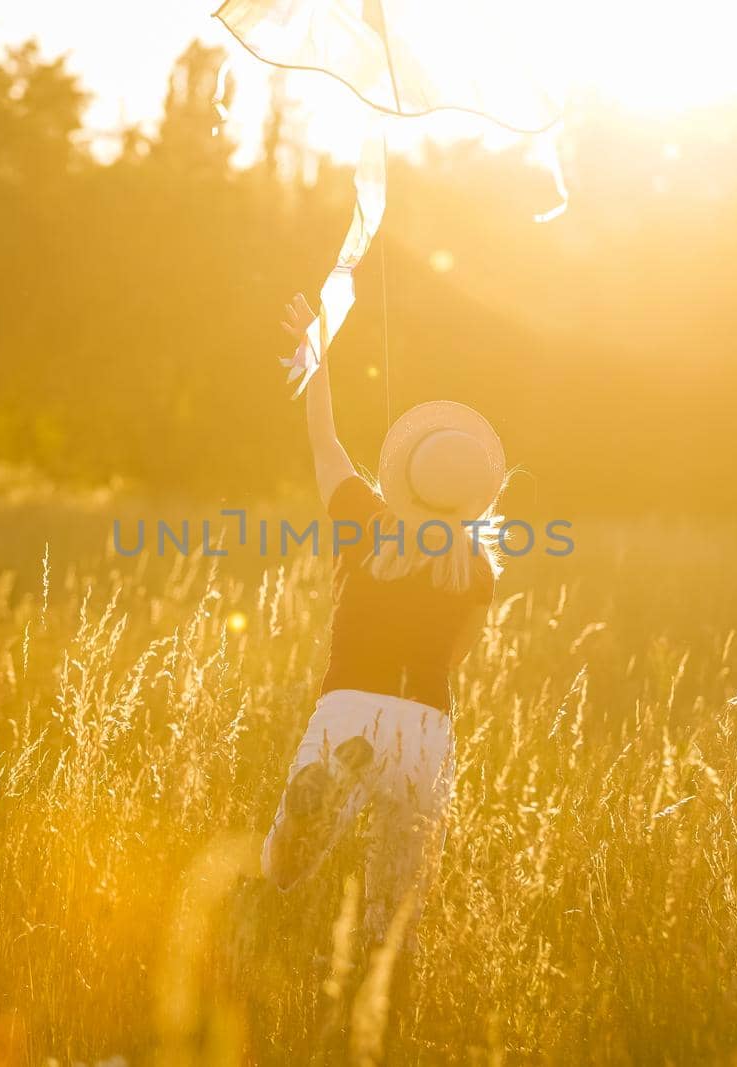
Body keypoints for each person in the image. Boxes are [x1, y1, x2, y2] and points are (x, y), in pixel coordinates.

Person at [262, 293, 508, 945]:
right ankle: (371, 989)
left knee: (282, 869)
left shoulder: (365, 519)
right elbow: (455, 660)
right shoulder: (476, 562)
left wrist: (315, 354)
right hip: (425, 723)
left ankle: (307, 810)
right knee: (395, 902)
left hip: (347, 706)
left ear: (408, 471)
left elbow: (326, 441)